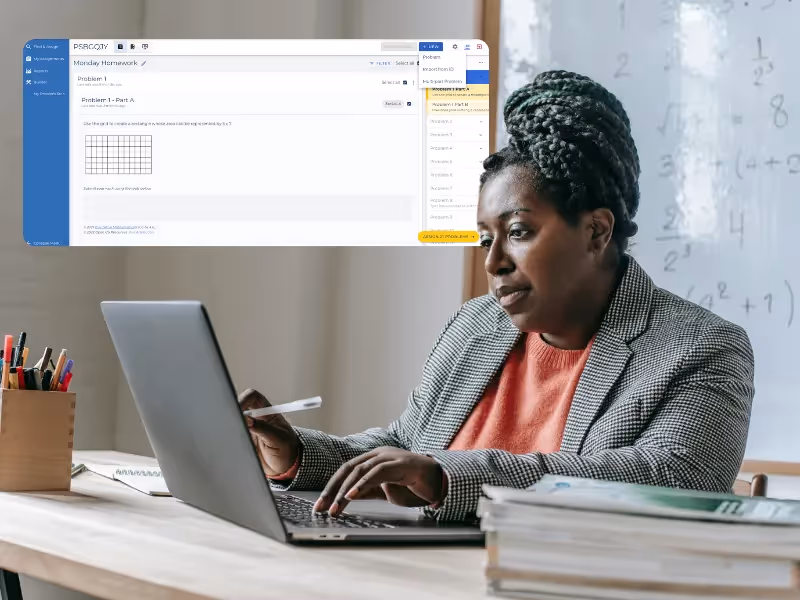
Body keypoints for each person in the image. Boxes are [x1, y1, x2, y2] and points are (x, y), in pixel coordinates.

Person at [239, 70, 755, 523]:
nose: (494, 263)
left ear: (597, 232)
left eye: (520, 232)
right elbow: (404, 446)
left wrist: (446, 476)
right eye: (487, 240)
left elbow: (668, 480)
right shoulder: (476, 324)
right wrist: (295, 452)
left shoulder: (701, 348)